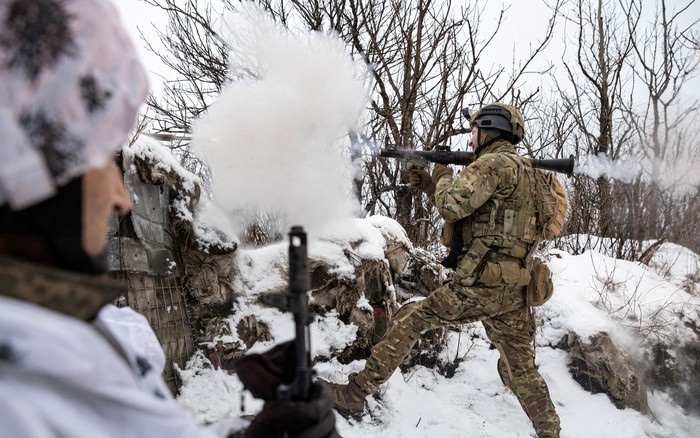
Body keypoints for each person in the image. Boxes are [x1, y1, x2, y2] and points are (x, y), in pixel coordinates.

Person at [0, 1, 336, 437]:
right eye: (103, 160)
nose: (121, 199)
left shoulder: (66, 342)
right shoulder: (27, 380)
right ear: (30, 169)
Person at [327, 103, 562, 437]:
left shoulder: (494, 164)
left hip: (480, 285)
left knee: (411, 319)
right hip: (514, 289)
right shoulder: (530, 173)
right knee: (522, 370)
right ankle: (551, 432)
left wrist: (441, 174)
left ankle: (354, 395)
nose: (470, 141)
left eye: (475, 132)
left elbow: (452, 207)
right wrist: (429, 184)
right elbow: (487, 214)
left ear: (490, 130)